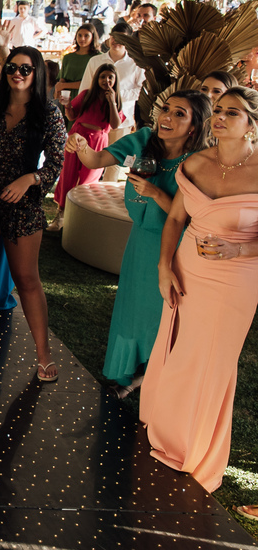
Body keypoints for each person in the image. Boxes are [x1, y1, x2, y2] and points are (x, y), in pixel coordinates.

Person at [142, 87, 258, 493]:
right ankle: (168, 431)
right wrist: (164, 266)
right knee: (181, 349)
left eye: (234, 112)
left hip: (238, 277)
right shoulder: (196, 162)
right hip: (188, 268)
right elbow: (174, 219)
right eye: (219, 111)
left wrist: (240, 247)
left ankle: (196, 447)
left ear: (252, 125)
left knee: (212, 361)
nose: (221, 117)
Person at [67, 90, 211, 396]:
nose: (167, 118)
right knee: (132, 309)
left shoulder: (198, 163)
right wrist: (80, 146)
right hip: (140, 241)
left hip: (175, 247)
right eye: (166, 109)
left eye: (179, 114)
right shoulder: (143, 140)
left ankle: (157, 375)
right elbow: (95, 158)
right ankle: (127, 375)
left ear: (195, 126)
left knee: (161, 311)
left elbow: (197, 218)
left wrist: (156, 193)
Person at [0, 46, 66, 380]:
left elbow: (56, 162)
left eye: (26, 69)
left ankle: (43, 354)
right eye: (12, 67)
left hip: (22, 201)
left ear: (37, 73)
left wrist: (29, 179)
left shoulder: (48, 112)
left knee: (26, 278)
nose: (17, 73)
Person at [49, 63, 124, 230]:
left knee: (88, 179)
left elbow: (115, 124)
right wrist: (67, 105)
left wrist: (111, 101)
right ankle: (60, 214)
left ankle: (79, 218)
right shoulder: (86, 95)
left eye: (110, 77)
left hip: (98, 141)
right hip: (77, 135)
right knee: (68, 173)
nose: (106, 80)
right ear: (97, 78)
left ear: (115, 80)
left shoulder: (116, 99)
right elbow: (71, 115)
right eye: (103, 76)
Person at [53, 25, 98, 104]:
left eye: (86, 36)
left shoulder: (97, 58)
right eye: (79, 35)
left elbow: (91, 83)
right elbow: (62, 78)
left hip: (87, 97)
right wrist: (59, 89)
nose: (82, 39)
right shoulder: (68, 57)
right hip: (68, 97)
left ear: (93, 37)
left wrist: (64, 86)